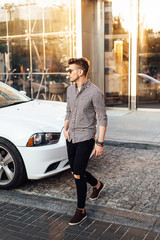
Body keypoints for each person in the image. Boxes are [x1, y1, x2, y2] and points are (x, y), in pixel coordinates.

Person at [63, 57, 107, 226]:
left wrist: (100, 143)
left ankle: (81, 211)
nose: (68, 74)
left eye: (70, 70)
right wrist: (65, 129)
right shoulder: (69, 90)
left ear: (80, 72)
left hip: (86, 137)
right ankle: (97, 185)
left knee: (77, 174)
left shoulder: (95, 92)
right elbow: (68, 111)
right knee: (76, 170)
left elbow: (102, 118)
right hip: (71, 136)